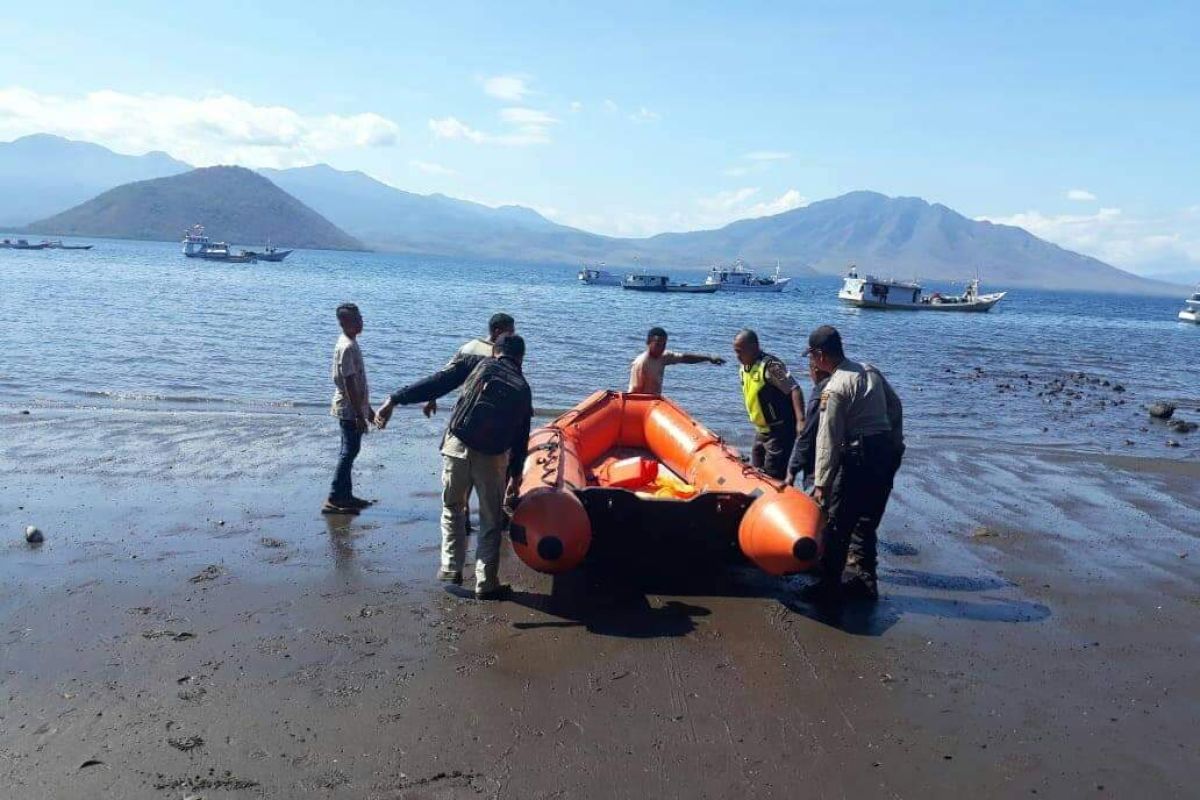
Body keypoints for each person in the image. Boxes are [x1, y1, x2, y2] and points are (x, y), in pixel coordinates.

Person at [375, 334, 532, 600]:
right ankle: (486, 583)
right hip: (492, 459)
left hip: (457, 446)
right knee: (491, 521)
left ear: (495, 352)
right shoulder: (523, 386)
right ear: (521, 358)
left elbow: (438, 382)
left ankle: (450, 566)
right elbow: (521, 436)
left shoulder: (478, 364)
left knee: (453, 508)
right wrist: (516, 476)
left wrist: (395, 399)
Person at [804, 325, 904, 603]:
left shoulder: (834, 388)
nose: (812, 363)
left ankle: (828, 586)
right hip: (883, 451)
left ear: (821, 355)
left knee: (838, 523)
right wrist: (895, 445)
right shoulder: (869, 370)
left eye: (811, 357)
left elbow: (828, 438)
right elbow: (896, 407)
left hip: (857, 456)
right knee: (866, 520)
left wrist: (822, 483)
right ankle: (865, 581)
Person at [732, 329, 805, 481]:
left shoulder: (771, 366)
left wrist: (800, 420)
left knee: (772, 477)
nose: (737, 356)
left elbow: (794, 389)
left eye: (740, 352)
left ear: (754, 347)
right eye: (735, 352)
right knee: (756, 471)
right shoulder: (744, 368)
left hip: (779, 432)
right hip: (761, 431)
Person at [324, 303, 375, 515]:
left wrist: (368, 409)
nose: (360, 322)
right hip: (348, 409)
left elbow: (359, 384)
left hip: (355, 407)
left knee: (350, 450)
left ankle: (346, 495)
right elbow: (350, 383)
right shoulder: (346, 346)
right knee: (349, 452)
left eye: (360, 317)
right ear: (344, 323)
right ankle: (335, 497)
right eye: (355, 320)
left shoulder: (351, 343)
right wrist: (358, 414)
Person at [422, 312, 516, 418]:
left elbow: (444, 375)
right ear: (497, 332)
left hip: (462, 410)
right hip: (487, 414)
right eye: (510, 332)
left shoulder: (469, 347)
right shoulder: (503, 355)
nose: (513, 335)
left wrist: (432, 399)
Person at [628, 326, 725, 395]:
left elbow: (685, 358)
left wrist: (708, 358)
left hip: (655, 401)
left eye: (664, 344)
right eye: (658, 344)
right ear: (648, 342)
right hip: (643, 404)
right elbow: (634, 391)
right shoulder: (641, 363)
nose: (661, 348)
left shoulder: (663, 357)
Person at [785, 361, 832, 489]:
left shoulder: (823, 392)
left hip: (821, 466)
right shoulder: (839, 383)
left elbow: (808, 434)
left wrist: (792, 470)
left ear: (815, 369)